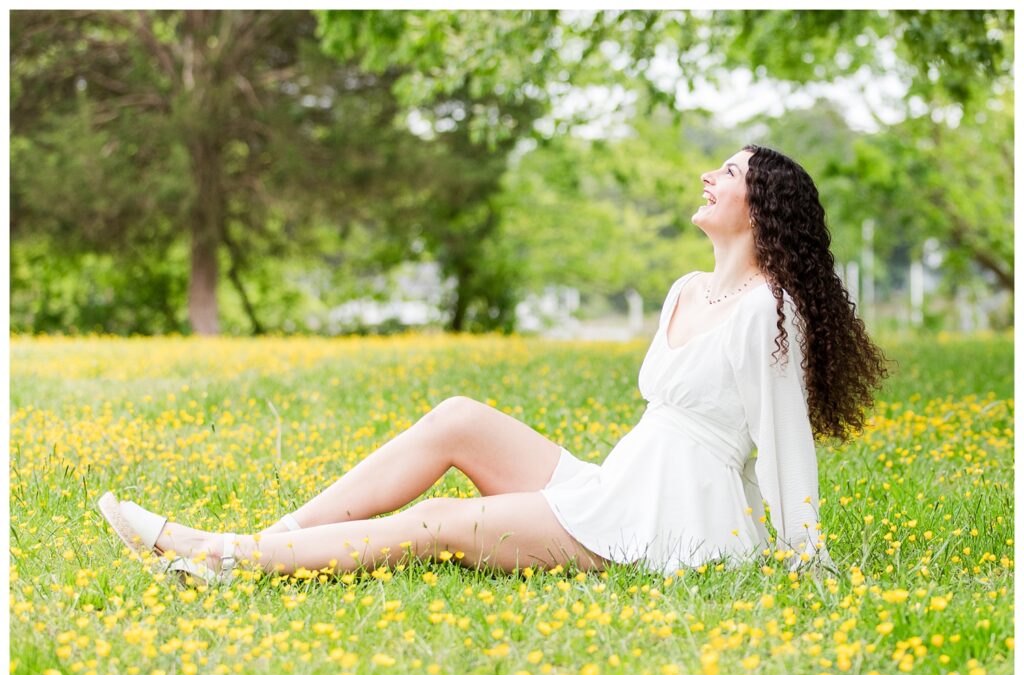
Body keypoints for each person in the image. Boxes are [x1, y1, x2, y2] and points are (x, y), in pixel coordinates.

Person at [98, 144, 892, 586]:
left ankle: (218, 553)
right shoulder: (688, 289)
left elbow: (786, 443)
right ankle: (261, 544)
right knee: (457, 418)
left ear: (760, 205)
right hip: (619, 488)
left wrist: (804, 561)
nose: (708, 176)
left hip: (669, 526)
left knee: (437, 524)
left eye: (727, 172)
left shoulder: (769, 310)